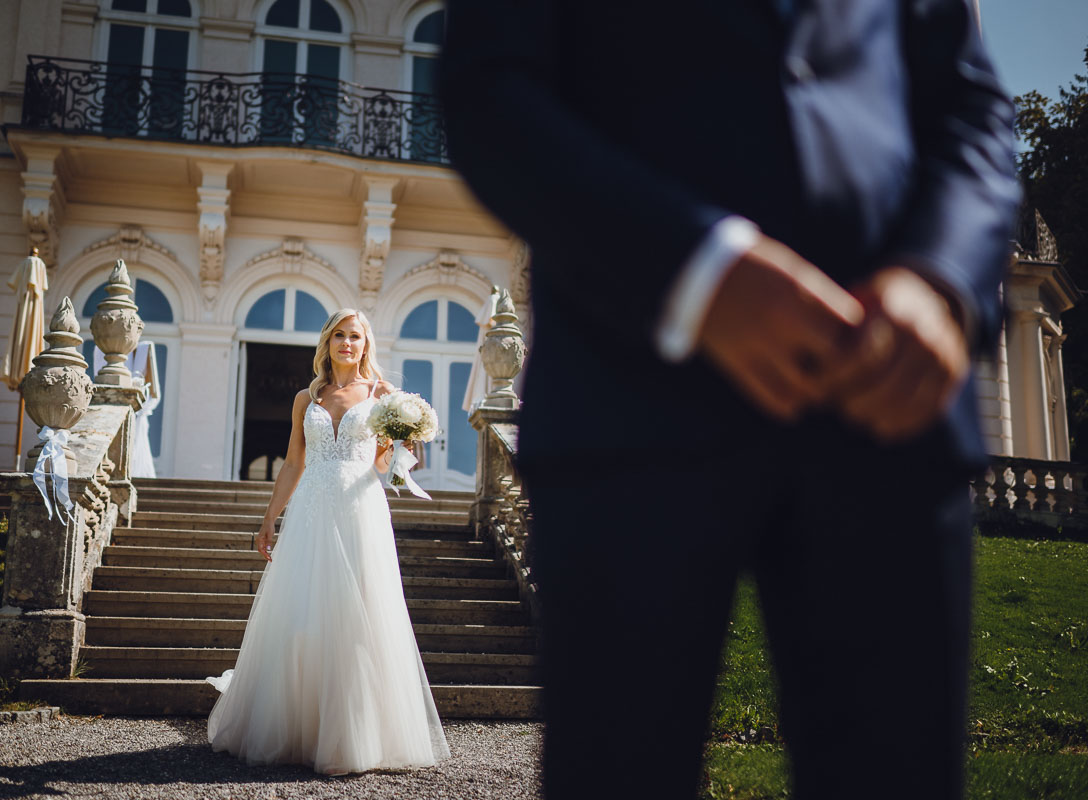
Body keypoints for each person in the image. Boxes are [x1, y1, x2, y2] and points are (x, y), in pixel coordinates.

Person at [440, 2, 1019, 798]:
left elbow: (973, 103)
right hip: (632, 396)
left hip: (888, 406)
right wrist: (693, 269)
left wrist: (941, 276)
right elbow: (488, 89)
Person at [206, 309, 450, 774]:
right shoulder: (307, 397)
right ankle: (300, 727)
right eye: (338, 334)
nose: (346, 342)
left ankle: (354, 736)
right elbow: (295, 462)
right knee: (301, 615)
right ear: (327, 342)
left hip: (360, 512)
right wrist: (268, 518)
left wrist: (396, 445)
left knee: (359, 615)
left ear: (365, 343)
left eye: (354, 335)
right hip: (311, 511)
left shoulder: (382, 395)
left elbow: (383, 467)